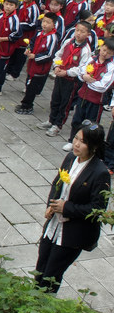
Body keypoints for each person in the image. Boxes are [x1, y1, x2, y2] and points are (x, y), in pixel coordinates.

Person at [36, 121, 109, 293]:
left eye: (82, 142)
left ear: (94, 146)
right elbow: (57, 184)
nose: (76, 144)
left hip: (72, 234)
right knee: (40, 269)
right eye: (76, 138)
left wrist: (66, 207)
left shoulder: (100, 173)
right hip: (54, 225)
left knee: (51, 275)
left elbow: (97, 209)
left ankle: (43, 307)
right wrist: (51, 205)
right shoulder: (70, 158)